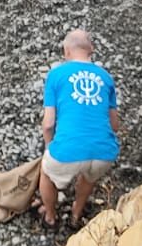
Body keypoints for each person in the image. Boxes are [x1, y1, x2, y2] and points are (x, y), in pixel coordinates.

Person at [37, 29, 120, 228]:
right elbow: (114, 126)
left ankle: (50, 216)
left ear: (66, 51)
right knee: (89, 174)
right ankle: (76, 214)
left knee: (47, 172)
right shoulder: (106, 78)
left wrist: (49, 147)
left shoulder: (56, 74)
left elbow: (48, 123)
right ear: (91, 50)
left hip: (68, 151)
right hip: (104, 153)